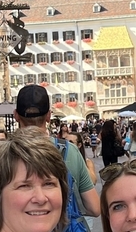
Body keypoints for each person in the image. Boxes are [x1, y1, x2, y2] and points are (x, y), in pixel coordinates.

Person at [14, 85, 100, 222]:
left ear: (16, 115)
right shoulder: (69, 150)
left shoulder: (3, 154)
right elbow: (94, 208)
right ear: (48, 116)